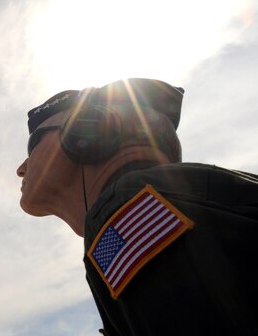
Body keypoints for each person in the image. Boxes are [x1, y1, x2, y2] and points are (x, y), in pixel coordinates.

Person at [16, 78, 258, 335]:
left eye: (33, 146)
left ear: (84, 132)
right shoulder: (171, 197)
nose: (21, 169)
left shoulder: (127, 207)